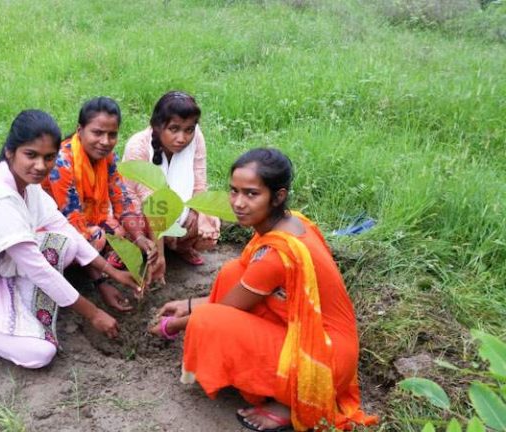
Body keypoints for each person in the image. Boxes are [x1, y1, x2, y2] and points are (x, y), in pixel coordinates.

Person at [149, 148, 377, 431]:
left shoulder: (276, 255)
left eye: (251, 194)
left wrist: (173, 325)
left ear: (278, 196)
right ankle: (278, 383)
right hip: (324, 343)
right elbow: (242, 293)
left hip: (322, 365)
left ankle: (291, 403)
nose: (238, 203)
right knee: (234, 271)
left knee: (210, 321)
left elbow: (222, 313)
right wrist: (190, 303)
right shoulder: (293, 222)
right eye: (233, 191)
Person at [0, 110, 140, 368]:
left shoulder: (25, 184)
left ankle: (14, 307)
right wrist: (94, 313)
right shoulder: (0, 198)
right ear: (10, 152)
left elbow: (61, 226)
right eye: (30, 155)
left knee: (62, 245)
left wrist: (111, 272)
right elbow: (39, 270)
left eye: (49, 157)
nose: (41, 166)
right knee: (39, 354)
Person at [42, 97, 163, 304]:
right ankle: (90, 270)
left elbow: (122, 201)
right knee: (95, 237)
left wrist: (139, 237)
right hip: (51, 226)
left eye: (112, 135)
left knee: (133, 225)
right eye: (97, 133)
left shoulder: (108, 158)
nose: (105, 141)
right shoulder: (61, 163)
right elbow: (74, 224)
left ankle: (95, 260)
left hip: (89, 219)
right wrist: (102, 283)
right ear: (80, 131)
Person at [122, 91, 220, 273]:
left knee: (208, 226)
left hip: (175, 208)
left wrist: (197, 213)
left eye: (188, 130)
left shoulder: (196, 137)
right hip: (142, 211)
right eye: (174, 129)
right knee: (133, 225)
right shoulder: (138, 145)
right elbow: (152, 204)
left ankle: (180, 246)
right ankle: (134, 247)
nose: (182, 138)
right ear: (158, 127)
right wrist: (160, 257)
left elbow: (199, 184)